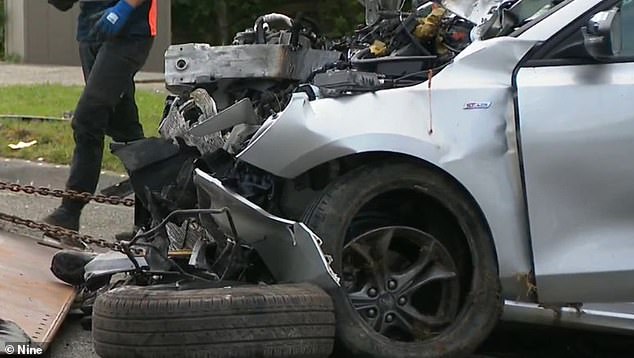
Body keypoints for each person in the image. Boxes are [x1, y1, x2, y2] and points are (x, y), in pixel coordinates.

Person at [44, 0, 157, 232]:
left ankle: (69, 211)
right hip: (92, 30)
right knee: (124, 129)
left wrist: (122, 9)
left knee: (88, 118)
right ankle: (153, 221)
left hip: (129, 30)